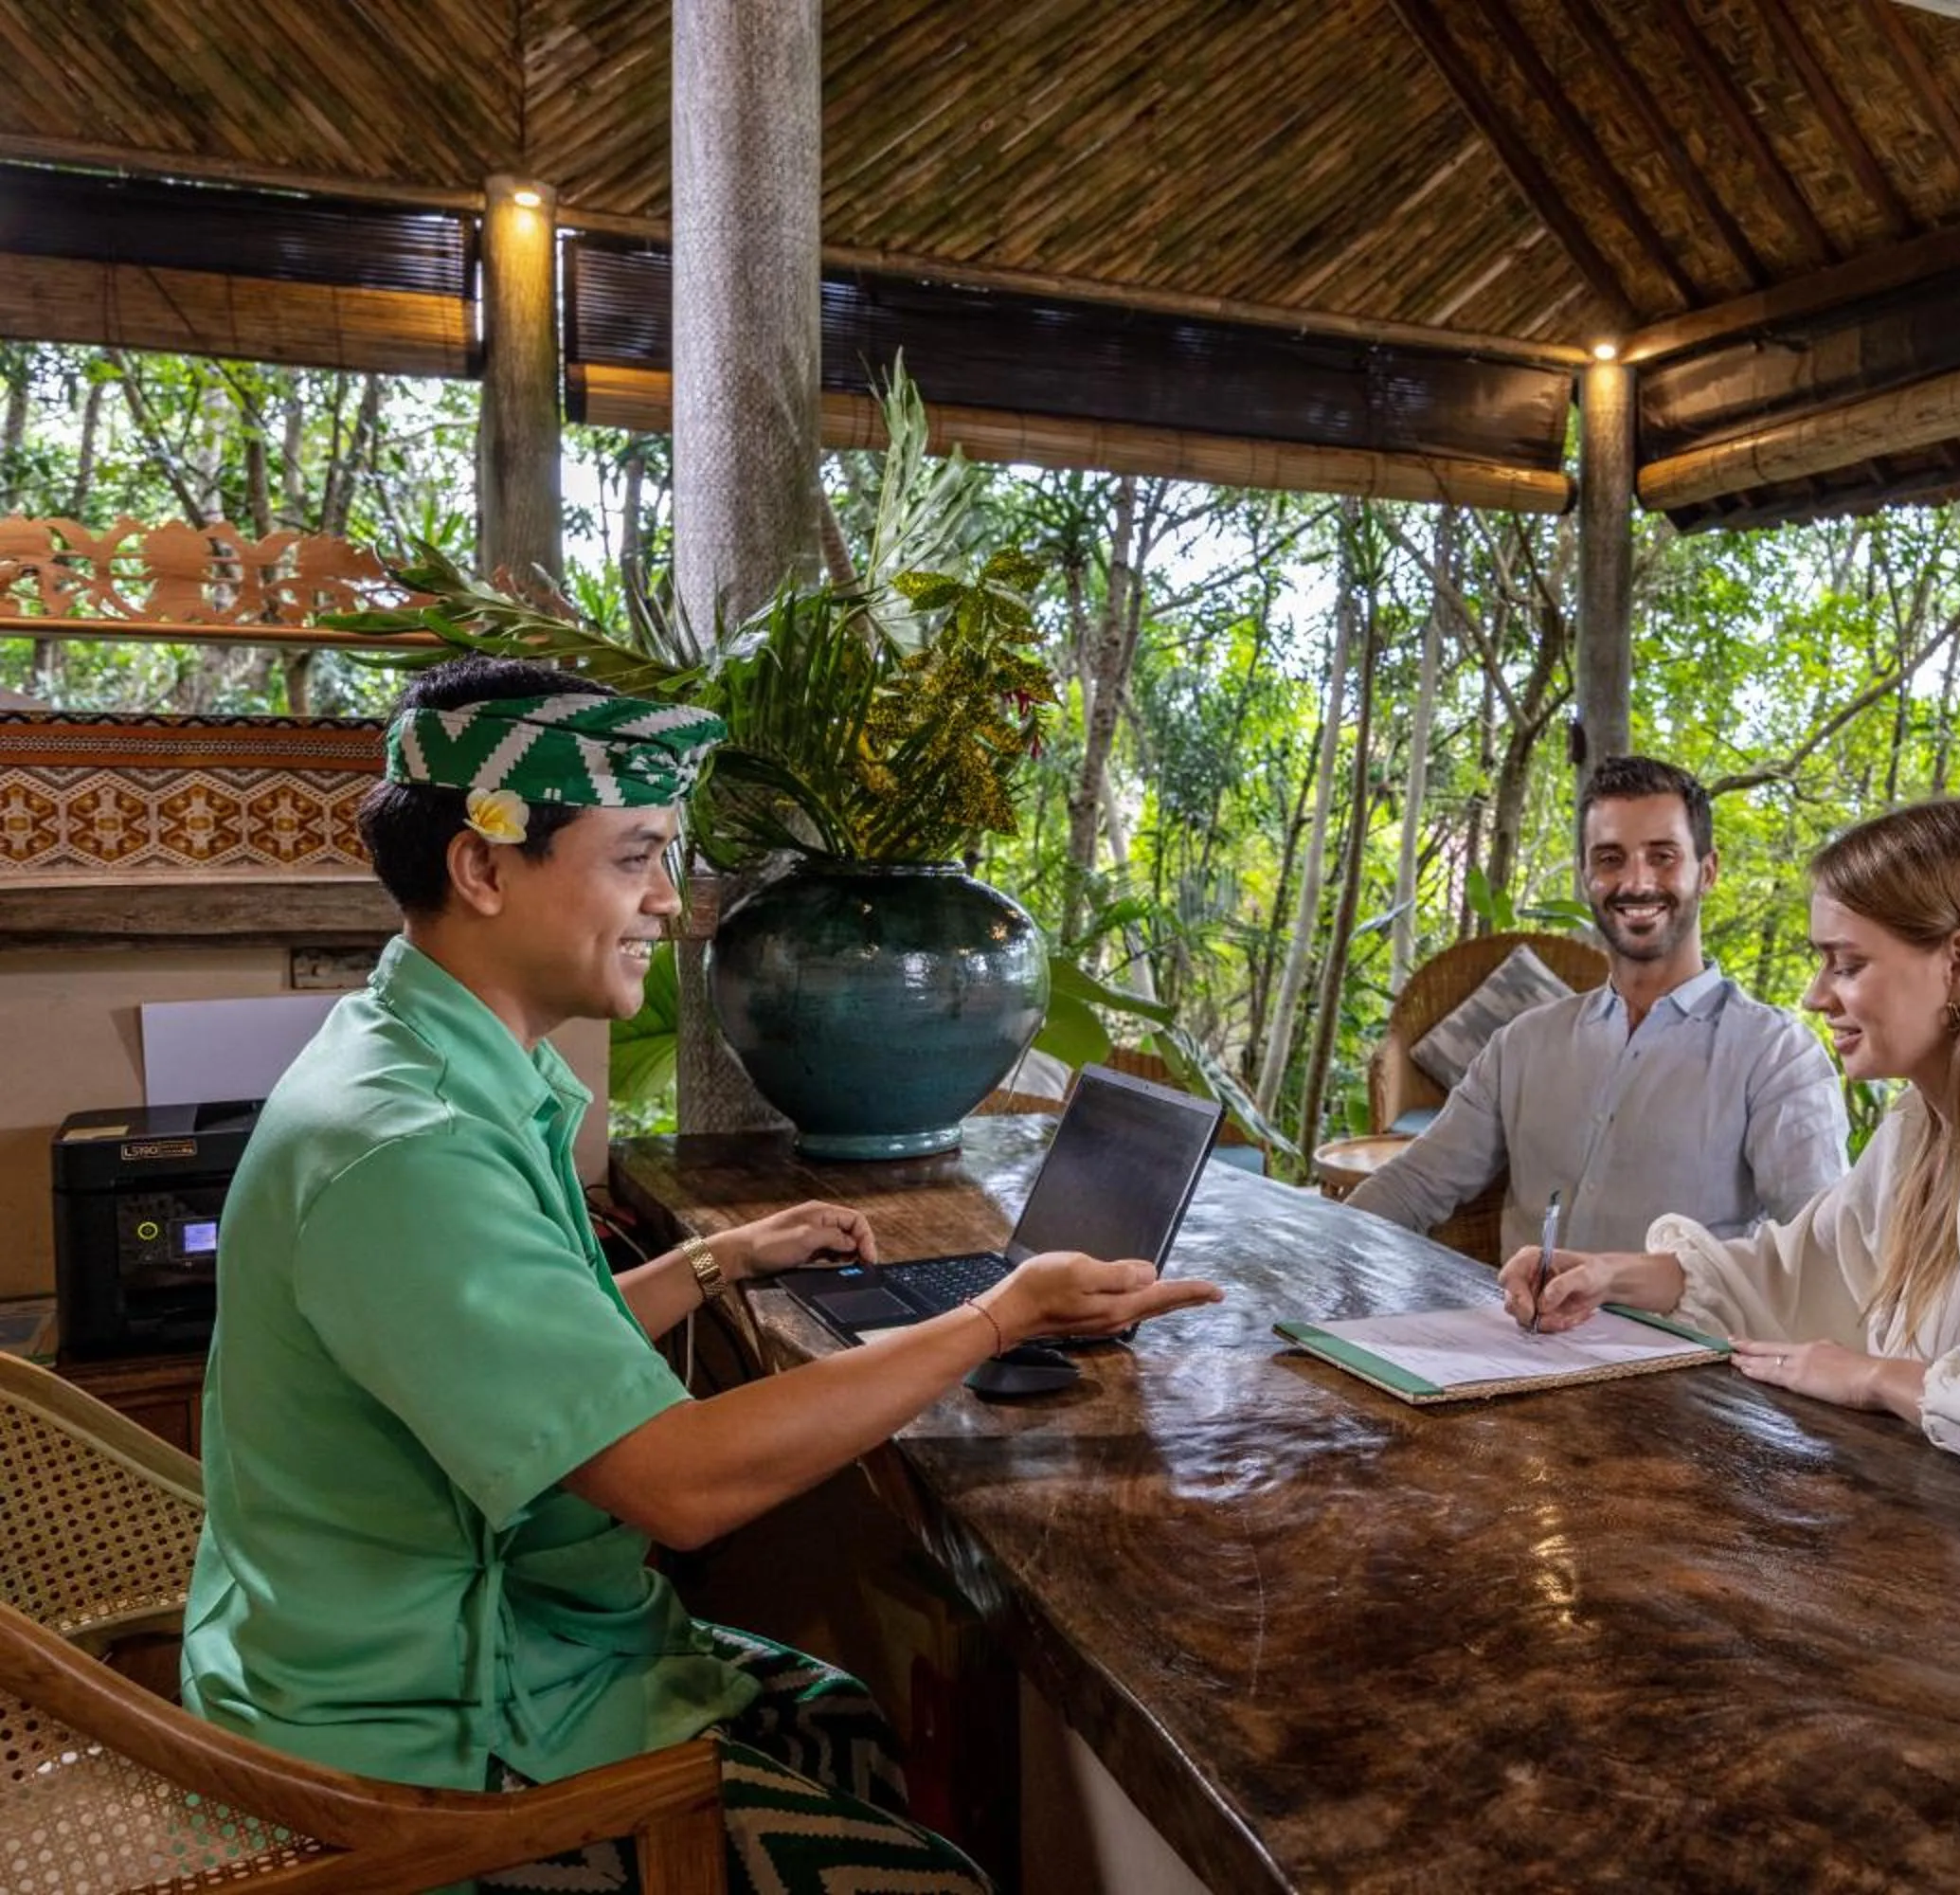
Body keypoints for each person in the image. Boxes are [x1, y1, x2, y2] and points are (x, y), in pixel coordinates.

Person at [180, 655, 1222, 1892]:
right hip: (431, 1740)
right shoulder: (411, 1148)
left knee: (839, 1709)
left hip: (453, 1656)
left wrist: (717, 1259)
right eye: (634, 857)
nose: (671, 902)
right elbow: (676, 1487)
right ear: (482, 865)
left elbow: (512, 1360)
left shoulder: (413, 1059)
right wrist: (1003, 1316)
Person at [1501, 798, 1960, 1519]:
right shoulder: (1920, 1133)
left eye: (1848, 964)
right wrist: (1609, 1274)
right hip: (1955, 1542)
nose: (1816, 996)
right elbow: (1794, 1273)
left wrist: (1878, 1379)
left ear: (1959, 965)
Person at [1348, 754, 1848, 1257]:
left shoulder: (1776, 1054)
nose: (1635, 882)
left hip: (1687, 1337)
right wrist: (1311, 1251)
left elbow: (1819, 1252)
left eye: (1662, 856)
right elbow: (1416, 1185)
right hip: (1513, 1330)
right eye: (1610, 858)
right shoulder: (1525, 1042)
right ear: (1587, 874)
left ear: (1707, 871)